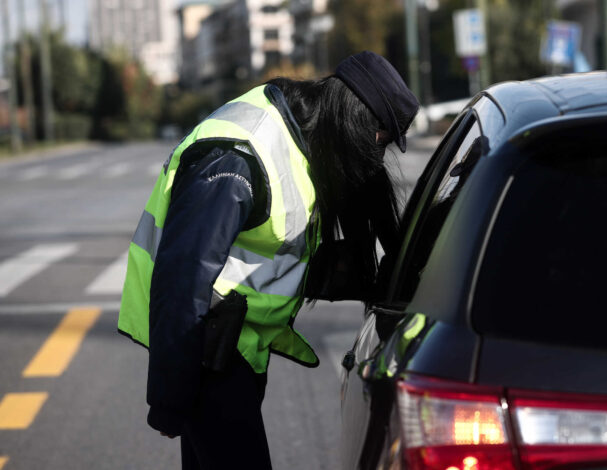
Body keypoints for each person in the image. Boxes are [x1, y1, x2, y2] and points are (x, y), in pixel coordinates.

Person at [118, 51, 419, 469]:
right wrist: (170, 399)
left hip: (236, 346)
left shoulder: (303, 136)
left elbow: (279, 251)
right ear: (355, 118)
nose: (377, 155)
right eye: (381, 139)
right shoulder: (240, 157)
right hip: (205, 349)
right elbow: (182, 277)